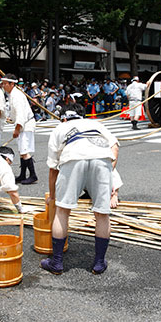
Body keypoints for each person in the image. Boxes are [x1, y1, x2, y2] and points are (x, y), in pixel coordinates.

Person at [41, 103, 119, 275]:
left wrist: (53, 196)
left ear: (64, 117)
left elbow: (53, 169)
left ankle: (57, 263)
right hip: (102, 160)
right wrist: (109, 172)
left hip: (73, 158)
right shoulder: (96, 124)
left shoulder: (60, 128)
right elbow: (114, 146)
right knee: (102, 214)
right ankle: (98, 263)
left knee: (62, 211)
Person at [1, 74, 37, 185]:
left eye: (5, 83)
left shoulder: (17, 95)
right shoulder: (12, 94)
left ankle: (32, 175)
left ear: (12, 84)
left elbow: (21, 114)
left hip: (25, 124)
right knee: (21, 151)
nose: (3, 85)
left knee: (25, 151)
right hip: (23, 124)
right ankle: (22, 175)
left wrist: (17, 128)